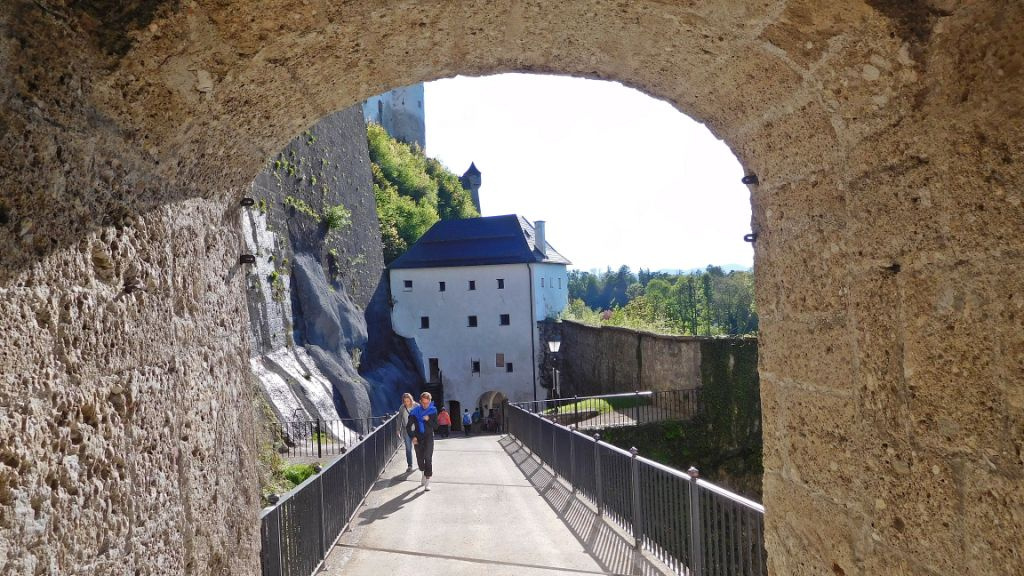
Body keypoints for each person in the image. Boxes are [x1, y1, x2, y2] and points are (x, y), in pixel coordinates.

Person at [409, 392, 438, 490]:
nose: (425, 405)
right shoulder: (414, 412)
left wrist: (429, 419)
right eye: (423, 403)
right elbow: (408, 426)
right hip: (418, 438)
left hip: (429, 437)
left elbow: (436, 426)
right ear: (420, 401)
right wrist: (413, 437)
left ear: (430, 401)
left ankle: (427, 482)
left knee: (428, 458)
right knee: (420, 459)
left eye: (427, 403)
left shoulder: (433, 411)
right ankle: (423, 473)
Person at [397, 393, 415, 472]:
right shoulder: (402, 407)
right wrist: (398, 430)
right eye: (405, 401)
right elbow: (399, 419)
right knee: (408, 449)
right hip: (406, 431)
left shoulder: (416, 406)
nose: (407, 403)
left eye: (408, 401)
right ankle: (410, 465)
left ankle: (422, 462)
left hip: (416, 431)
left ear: (411, 400)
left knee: (419, 448)